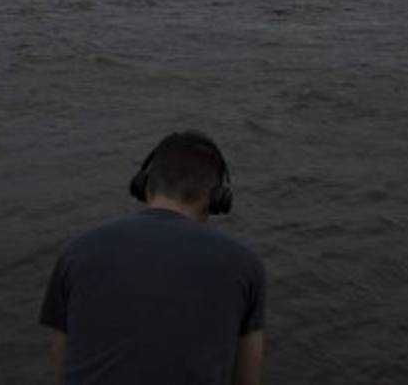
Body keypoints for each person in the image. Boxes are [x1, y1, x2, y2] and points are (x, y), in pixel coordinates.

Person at [39, 130, 265, 385]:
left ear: (143, 185)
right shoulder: (245, 266)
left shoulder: (76, 253)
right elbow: (247, 380)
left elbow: (61, 362)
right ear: (216, 199)